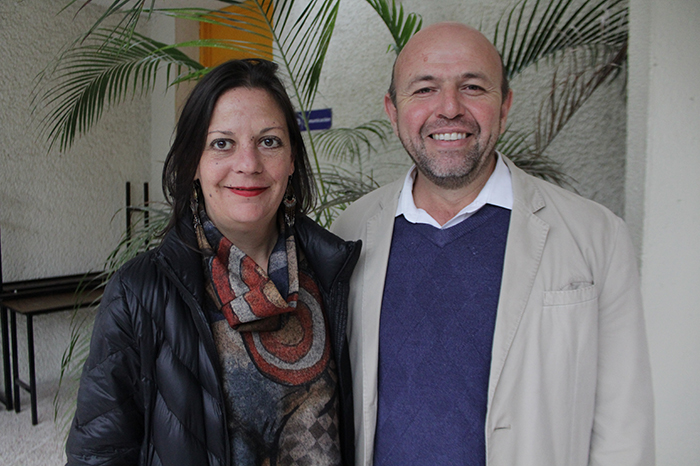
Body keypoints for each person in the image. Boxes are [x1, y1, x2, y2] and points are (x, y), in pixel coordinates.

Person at [331, 22, 654, 466]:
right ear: (392, 109)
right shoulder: (348, 232)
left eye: (473, 87)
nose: (449, 108)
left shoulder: (596, 236)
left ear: (504, 106)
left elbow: (624, 431)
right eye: (424, 89)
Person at [66, 58, 361, 466]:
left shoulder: (334, 273)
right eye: (222, 143)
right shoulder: (139, 292)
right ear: (193, 163)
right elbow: (97, 455)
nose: (249, 164)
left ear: (292, 159)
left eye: (269, 141)